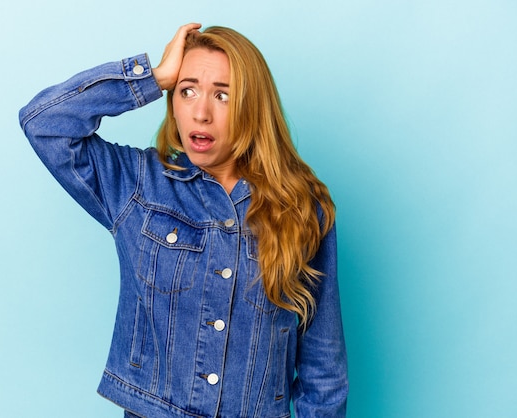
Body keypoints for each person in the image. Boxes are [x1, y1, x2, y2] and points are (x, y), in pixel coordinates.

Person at [19, 23, 348, 418]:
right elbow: (43, 123)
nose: (201, 112)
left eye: (222, 95)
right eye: (186, 90)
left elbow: (323, 368)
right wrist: (153, 76)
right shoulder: (137, 185)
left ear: (251, 106)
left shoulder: (300, 207)